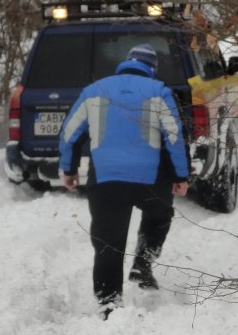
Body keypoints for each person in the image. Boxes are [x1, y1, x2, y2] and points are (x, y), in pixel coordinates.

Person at [59, 43, 189, 317]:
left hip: (106, 180)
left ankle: (109, 303)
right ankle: (143, 262)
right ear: (151, 69)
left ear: (126, 62)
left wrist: (68, 170)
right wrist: (180, 175)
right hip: (150, 179)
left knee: (108, 242)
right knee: (160, 214)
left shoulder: (94, 91)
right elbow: (174, 136)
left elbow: (69, 134)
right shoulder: (159, 91)